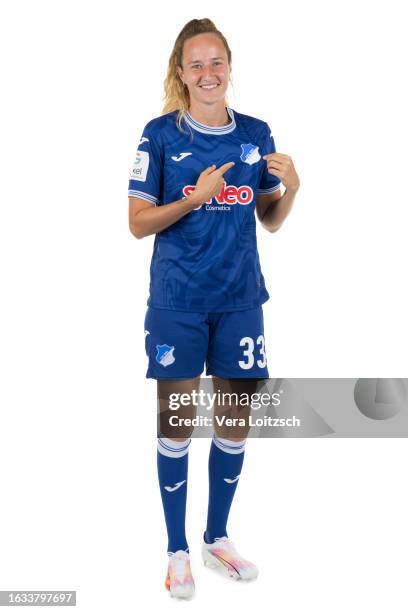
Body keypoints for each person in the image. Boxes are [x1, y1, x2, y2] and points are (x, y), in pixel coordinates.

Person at [128, 18, 300, 599]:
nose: (208, 73)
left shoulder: (256, 133)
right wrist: (193, 197)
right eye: (195, 64)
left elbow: (269, 218)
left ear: (230, 67)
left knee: (234, 425)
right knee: (176, 425)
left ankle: (216, 537)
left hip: (241, 301)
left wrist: (292, 189)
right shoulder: (158, 135)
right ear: (180, 72)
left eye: (216, 62)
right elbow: (136, 224)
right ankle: (177, 549)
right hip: (177, 301)